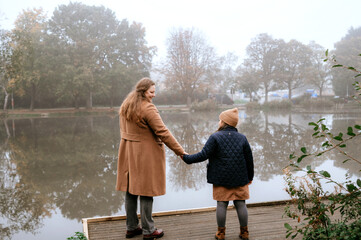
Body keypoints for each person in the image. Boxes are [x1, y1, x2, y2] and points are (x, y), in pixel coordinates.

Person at [116, 77, 186, 239]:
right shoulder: (147, 108)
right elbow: (163, 132)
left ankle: (132, 227)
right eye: (152, 92)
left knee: (131, 190)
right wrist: (180, 151)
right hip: (144, 154)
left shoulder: (126, 105)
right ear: (143, 92)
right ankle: (148, 230)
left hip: (127, 152)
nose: (154, 95)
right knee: (146, 190)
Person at [182, 108, 254, 240]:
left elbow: (203, 155)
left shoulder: (215, 137)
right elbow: (249, 159)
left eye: (220, 119)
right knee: (241, 204)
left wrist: (187, 158)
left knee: (222, 204)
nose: (218, 121)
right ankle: (244, 233)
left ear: (224, 122)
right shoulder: (242, 138)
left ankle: (221, 234)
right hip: (240, 177)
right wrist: (250, 177)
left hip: (221, 177)